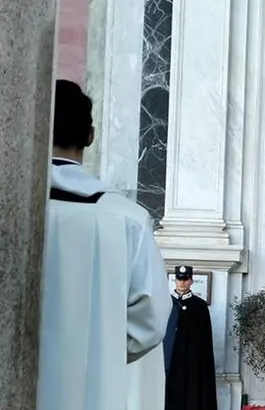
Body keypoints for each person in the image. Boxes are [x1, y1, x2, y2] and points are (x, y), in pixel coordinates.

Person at [38, 80, 172, 410]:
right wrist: (100, 348)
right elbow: (151, 320)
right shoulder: (128, 219)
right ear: (90, 136)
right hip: (91, 387)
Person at [164, 265, 218, 410]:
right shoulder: (166, 303)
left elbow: (205, 341)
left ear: (191, 281)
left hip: (191, 363)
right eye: (179, 279)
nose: (182, 282)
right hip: (169, 360)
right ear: (175, 280)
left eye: (186, 279)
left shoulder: (199, 306)